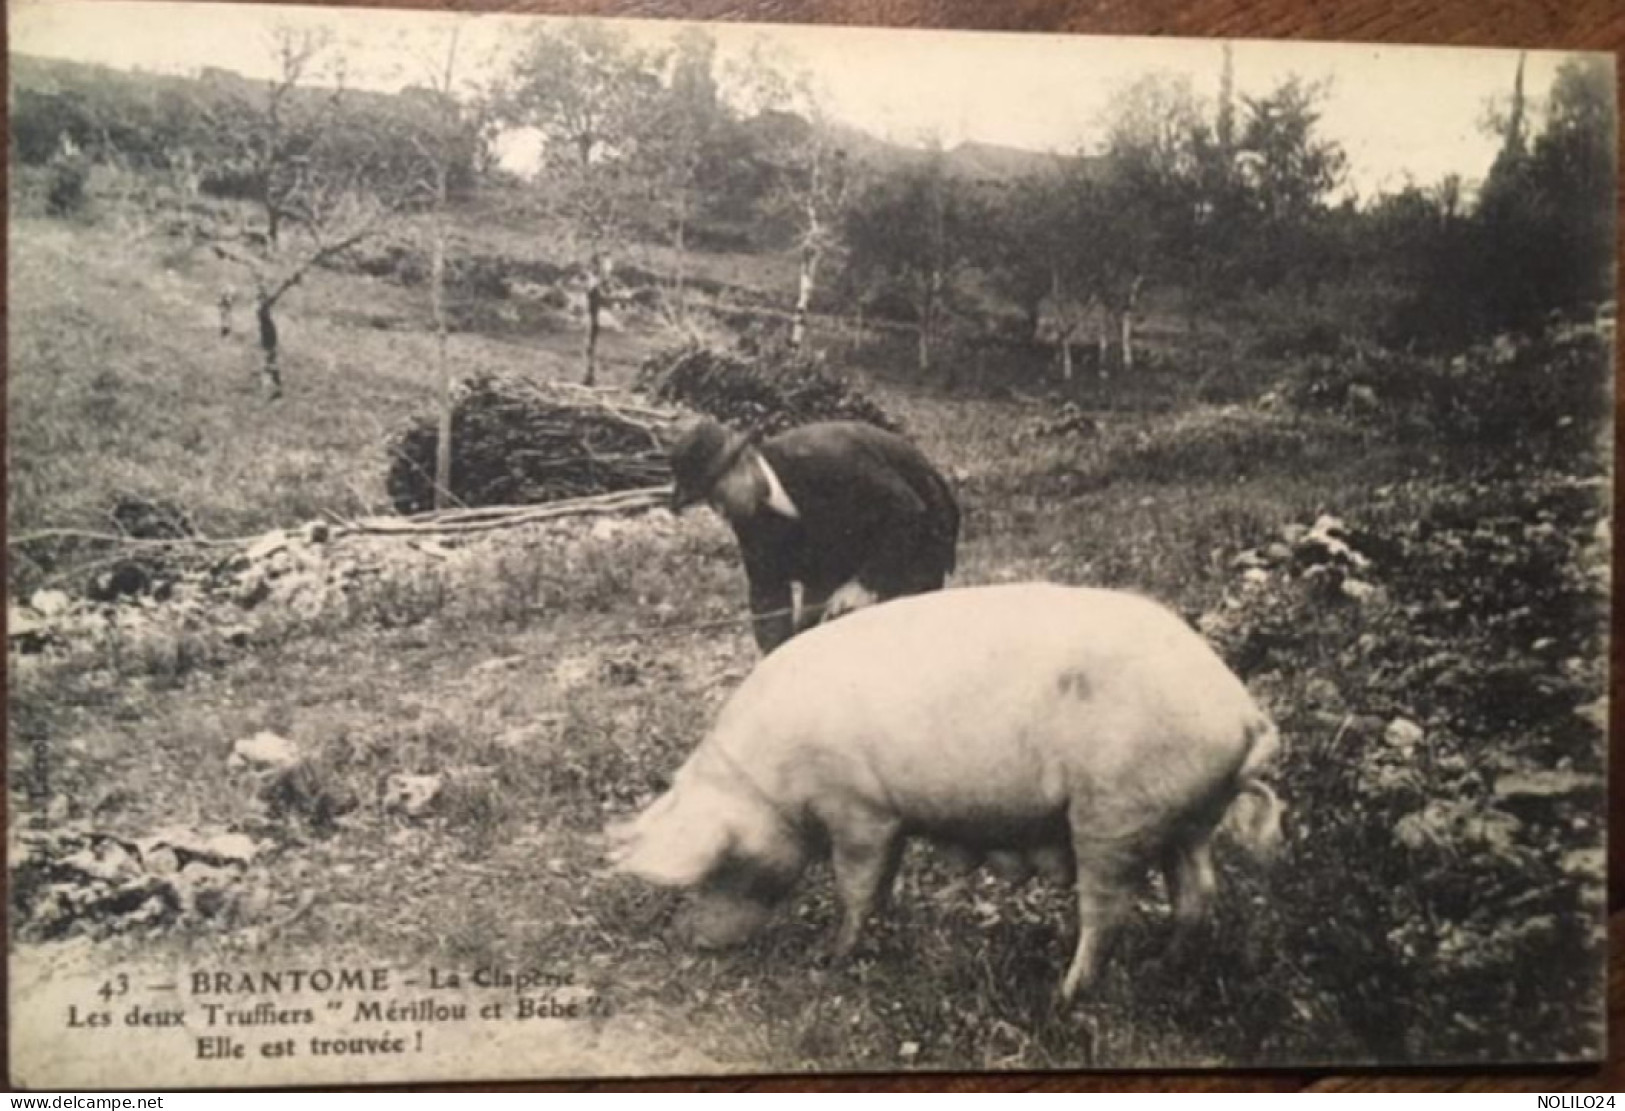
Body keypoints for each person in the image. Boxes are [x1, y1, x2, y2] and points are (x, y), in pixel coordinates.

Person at [669, 417, 960, 653]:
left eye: (718, 494)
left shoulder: (824, 456)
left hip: (918, 528)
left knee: (890, 644)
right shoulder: (746, 514)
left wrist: (867, 584)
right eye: (709, 502)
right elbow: (768, 592)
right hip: (842, 548)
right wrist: (774, 666)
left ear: (744, 462)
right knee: (813, 641)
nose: (718, 509)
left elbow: (908, 511)